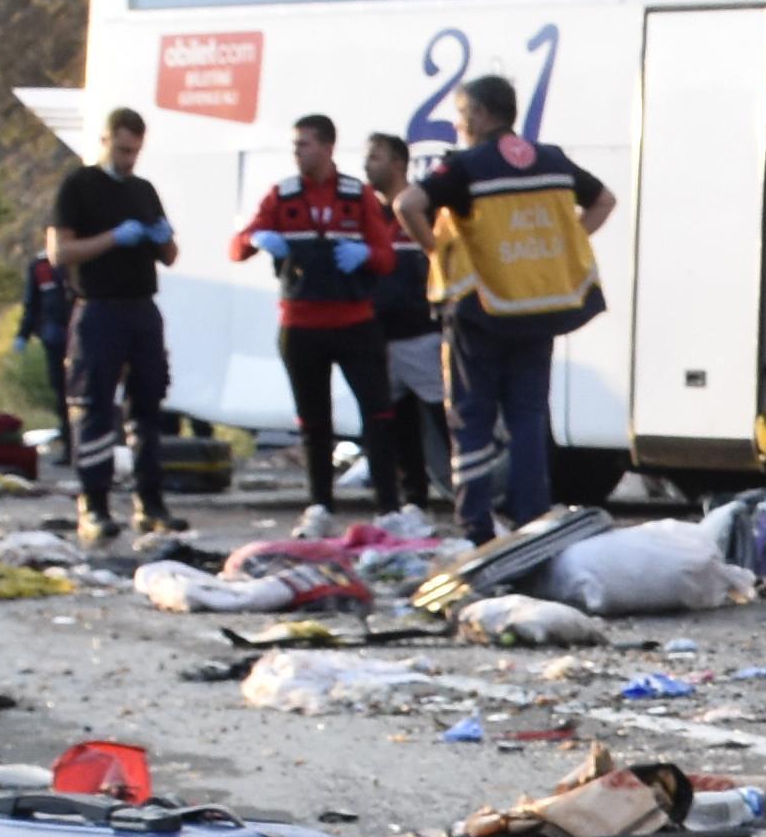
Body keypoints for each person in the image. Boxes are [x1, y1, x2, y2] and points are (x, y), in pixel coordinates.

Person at [420, 72, 610, 539]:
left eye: (462, 115)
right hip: (536, 306)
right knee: (528, 417)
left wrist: (433, 250)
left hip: (479, 309)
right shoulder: (551, 160)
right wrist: (562, 244)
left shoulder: (466, 166)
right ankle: (533, 521)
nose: (459, 126)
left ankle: (476, 525)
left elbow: (407, 203)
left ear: (481, 115)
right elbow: (604, 200)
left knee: (472, 421)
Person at [232, 113, 403, 518]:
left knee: (378, 413)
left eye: (304, 144)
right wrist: (257, 238)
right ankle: (321, 505)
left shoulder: (355, 195)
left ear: (327, 147)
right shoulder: (283, 195)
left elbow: (386, 258)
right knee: (313, 422)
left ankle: (389, 506)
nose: (297, 152)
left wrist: (364, 254)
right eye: (295, 145)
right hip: (300, 325)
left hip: (353, 322)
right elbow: (237, 248)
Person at [47, 106, 182, 544]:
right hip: (99, 307)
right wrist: (112, 239)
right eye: (123, 150)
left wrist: (162, 237)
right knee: (94, 406)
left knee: (149, 404)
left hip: (140, 306)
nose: (129, 160)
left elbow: (170, 256)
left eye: (136, 151)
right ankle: (95, 503)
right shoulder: (79, 186)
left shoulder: (143, 190)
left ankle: (151, 502)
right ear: (105, 141)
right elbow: (59, 252)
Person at [360, 128, 445, 512]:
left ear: (397, 163)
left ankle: (471, 500)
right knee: (396, 426)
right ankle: (413, 503)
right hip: (379, 337)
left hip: (420, 334)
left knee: (444, 421)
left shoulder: (423, 210)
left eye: (375, 157)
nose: (366, 164)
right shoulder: (366, 215)